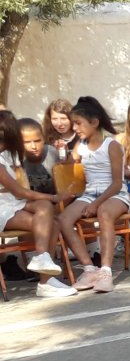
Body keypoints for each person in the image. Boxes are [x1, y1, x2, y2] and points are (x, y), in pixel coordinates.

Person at [56, 97, 130, 293]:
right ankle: (89, 270)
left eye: (78, 123)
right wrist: (63, 153)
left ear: (94, 122)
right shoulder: (80, 146)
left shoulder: (111, 145)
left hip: (115, 194)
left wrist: (96, 204)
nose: (75, 128)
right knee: (63, 219)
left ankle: (106, 272)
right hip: (89, 194)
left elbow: (117, 183)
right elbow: (67, 167)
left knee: (104, 213)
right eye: (73, 124)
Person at [0, 112, 72, 295]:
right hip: (3, 207)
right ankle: (45, 279)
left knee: (44, 207)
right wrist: (54, 198)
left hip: (11, 203)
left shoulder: (6, 155)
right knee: (51, 223)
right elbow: (18, 191)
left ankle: (43, 263)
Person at [44, 99, 78, 163]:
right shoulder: (47, 140)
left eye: (63, 118)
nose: (59, 124)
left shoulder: (81, 137)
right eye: (54, 119)